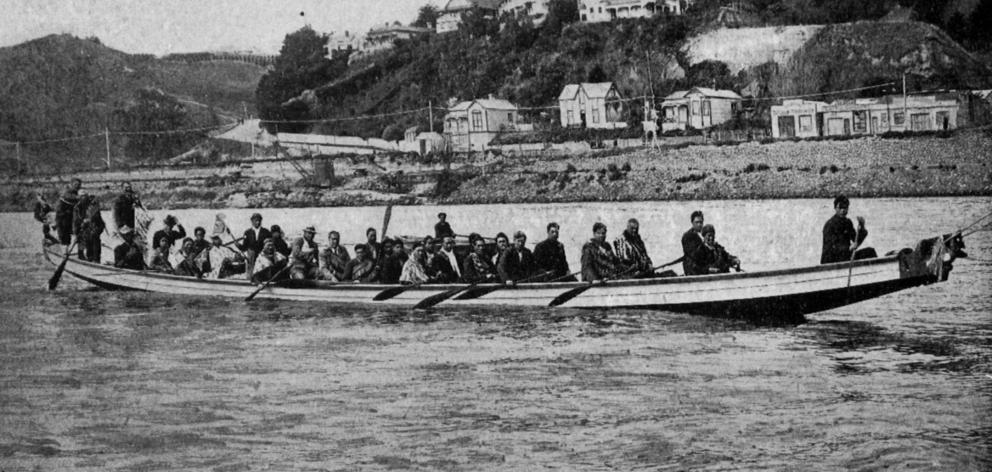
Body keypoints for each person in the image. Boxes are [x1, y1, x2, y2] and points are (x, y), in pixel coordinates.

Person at [821, 195, 877, 264]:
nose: (843, 210)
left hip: (845, 257)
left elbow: (856, 241)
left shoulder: (847, 222)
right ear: (835, 208)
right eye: (840, 207)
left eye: (845, 207)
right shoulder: (829, 225)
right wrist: (848, 248)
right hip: (832, 260)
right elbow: (832, 248)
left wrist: (862, 227)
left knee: (870, 251)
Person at [73, 193, 106, 262]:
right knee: (84, 248)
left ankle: (95, 261)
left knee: (95, 252)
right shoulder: (78, 208)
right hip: (85, 233)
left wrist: (97, 230)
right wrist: (77, 233)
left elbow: (101, 223)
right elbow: (77, 222)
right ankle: (84, 258)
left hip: (94, 233)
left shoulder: (94, 209)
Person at [54, 178, 81, 249]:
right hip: (62, 217)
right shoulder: (66, 191)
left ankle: (67, 249)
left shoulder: (75, 193)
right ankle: (63, 250)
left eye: (79, 185)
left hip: (69, 217)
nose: (78, 187)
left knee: (69, 235)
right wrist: (78, 197)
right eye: (76, 185)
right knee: (63, 234)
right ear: (71, 184)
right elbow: (67, 196)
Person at [681, 210, 706, 276]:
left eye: (701, 222)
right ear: (692, 223)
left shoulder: (703, 235)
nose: (699, 225)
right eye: (697, 222)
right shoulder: (687, 236)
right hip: (692, 267)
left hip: (701, 266)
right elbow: (693, 254)